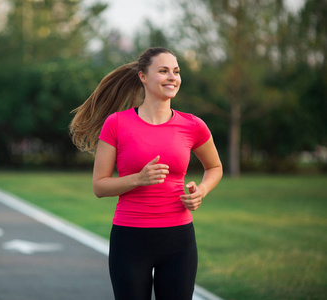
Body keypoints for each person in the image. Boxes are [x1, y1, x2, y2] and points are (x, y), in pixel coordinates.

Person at [69, 47, 223, 300]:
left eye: (176, 71)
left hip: (179, 240)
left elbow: (214, 167)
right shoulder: (117, 123)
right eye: (163, 71)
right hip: (130, 239)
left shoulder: (193, 125)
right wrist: (138, 179)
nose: (172, 77)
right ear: (143, 76)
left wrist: (202, 191)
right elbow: (99, 186)